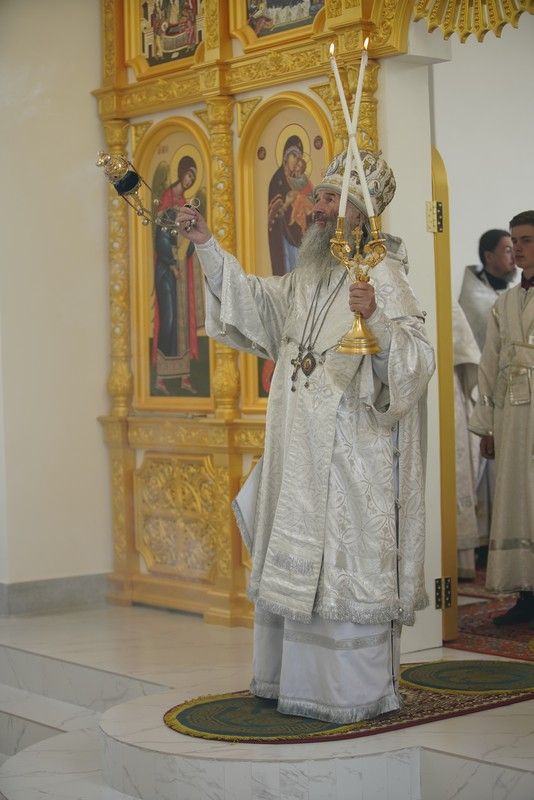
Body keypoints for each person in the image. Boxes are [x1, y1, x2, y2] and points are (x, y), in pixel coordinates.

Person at [175, 150, 435, 724]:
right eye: (316, 196)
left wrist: (379, 321)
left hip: (350, 462)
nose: (315, 207)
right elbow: (251, 303)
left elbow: (417, 363)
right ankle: (287, 680)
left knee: (338, 569)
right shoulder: (305, 278)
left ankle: (346, 692)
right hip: (298, 455)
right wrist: (206, 244)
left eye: (329, 199)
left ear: (358, 214)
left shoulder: (383, 277)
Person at [469, 210, 534, 625]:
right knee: (515, 499)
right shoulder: (504, 303)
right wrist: (488, 426)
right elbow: (488, 365)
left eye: (526, 240)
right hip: (511, 415)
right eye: (515, 241)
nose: (519, 249)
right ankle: (525, 593)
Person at [458, 230, 519, 564]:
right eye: (508, 249)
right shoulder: (476, 300)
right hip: (484, 395)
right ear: (488, 256)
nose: (514, 256)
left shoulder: (513, 295)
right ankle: (486, 545)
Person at [152, 156, 205, 395]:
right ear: (181, 172)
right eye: (188, 175)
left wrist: (193, 243)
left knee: (183, 320)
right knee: (170, 318)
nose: (189, 180)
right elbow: (161, 237)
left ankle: (184, 378)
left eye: (193, 178)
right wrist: (172, 264)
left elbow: (189, 238)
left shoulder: (184, 203)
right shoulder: (166, 200)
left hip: (181, 270)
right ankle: (160, 379)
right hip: (167, 270)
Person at [267, 135, 306, 275]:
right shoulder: (277, 180)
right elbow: (273, 215)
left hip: (298, 233)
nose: (296, 161)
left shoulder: (298, 179)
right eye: (293, 156)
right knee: (289, 269)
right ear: (286, 156)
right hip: (283, 235)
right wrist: (287, 203)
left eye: (299, 158)